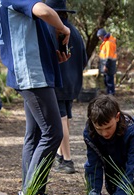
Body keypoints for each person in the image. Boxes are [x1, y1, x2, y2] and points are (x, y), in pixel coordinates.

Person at [0, 0, 71, 195]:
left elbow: (27, 35)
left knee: (36, 134)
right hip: (32, 76)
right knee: (53, 133)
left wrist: (53, 55)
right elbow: (44, 11)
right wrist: (63, 27)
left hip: (33, 72)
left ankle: (30, 194)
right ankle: (30, 194)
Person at [46, 0, 88, 174]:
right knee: (65, 118)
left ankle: (68, 160)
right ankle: (60, 154)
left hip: (58, 82)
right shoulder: (75, 32)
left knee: (61, 119)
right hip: (72, 83)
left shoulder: (54, 31)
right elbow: (84, 61)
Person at [97, 28, 117, 95]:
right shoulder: (107, 41)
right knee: (107, 80)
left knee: (109, 81)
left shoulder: (108, 43)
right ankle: (109, 93)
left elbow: (108, 56)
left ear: (103, 36)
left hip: (109, 65)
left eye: (100, 37)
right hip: (107, 64)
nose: (99, 38)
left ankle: (111, 94)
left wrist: (106, 65)